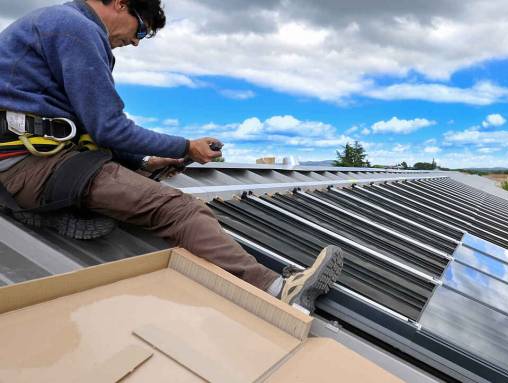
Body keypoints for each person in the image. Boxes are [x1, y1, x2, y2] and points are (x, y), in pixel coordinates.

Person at [0, 0, 342, 313]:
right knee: (180, 209)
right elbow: (109, 128)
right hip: (32, 165)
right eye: (142, 30)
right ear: (121, 3)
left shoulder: (58, 25)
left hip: (44, 159)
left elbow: (92, 125)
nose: (136, 42)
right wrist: (185, 146)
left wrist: (144, 163)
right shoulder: (75, 28)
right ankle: (279, 290)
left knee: (146, 186)